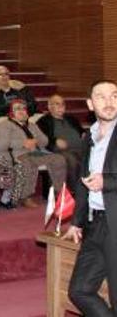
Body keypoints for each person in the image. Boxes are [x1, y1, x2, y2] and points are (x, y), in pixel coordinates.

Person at [65, 80, 117, 315]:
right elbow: (82, 182)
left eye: (114, 96)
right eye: (101, 97)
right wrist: (76, 222)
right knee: (79, 290)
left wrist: (106, 181)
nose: (109, 102)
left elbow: (103, 179)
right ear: (90, 103)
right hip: (95, 223)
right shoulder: (89, 136)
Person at [1, 99, 68, 208]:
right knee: (28, 163)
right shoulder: (5, 125)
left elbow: (45, 140)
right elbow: (3, 142)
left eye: (23, 108)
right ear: (11, 112)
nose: (22, 111)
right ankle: (25, 196)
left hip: (36, 153)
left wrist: (36, 140)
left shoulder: (32, 125)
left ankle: (59, 192)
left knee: (58, 159)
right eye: (17, 109)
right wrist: (23, 143)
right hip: (18, 154)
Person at [36, 94, 87, 191]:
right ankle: (75, 191)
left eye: (63, 104)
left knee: (93, 157)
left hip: (79, 148)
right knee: (72, 159)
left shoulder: (71, 119)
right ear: (49, 107)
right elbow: (41, 138)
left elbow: (81, 131)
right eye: (57, 104)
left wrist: (84, 134)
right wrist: (54, 141)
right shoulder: (43, 121)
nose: (61, 106)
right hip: (59, 151)